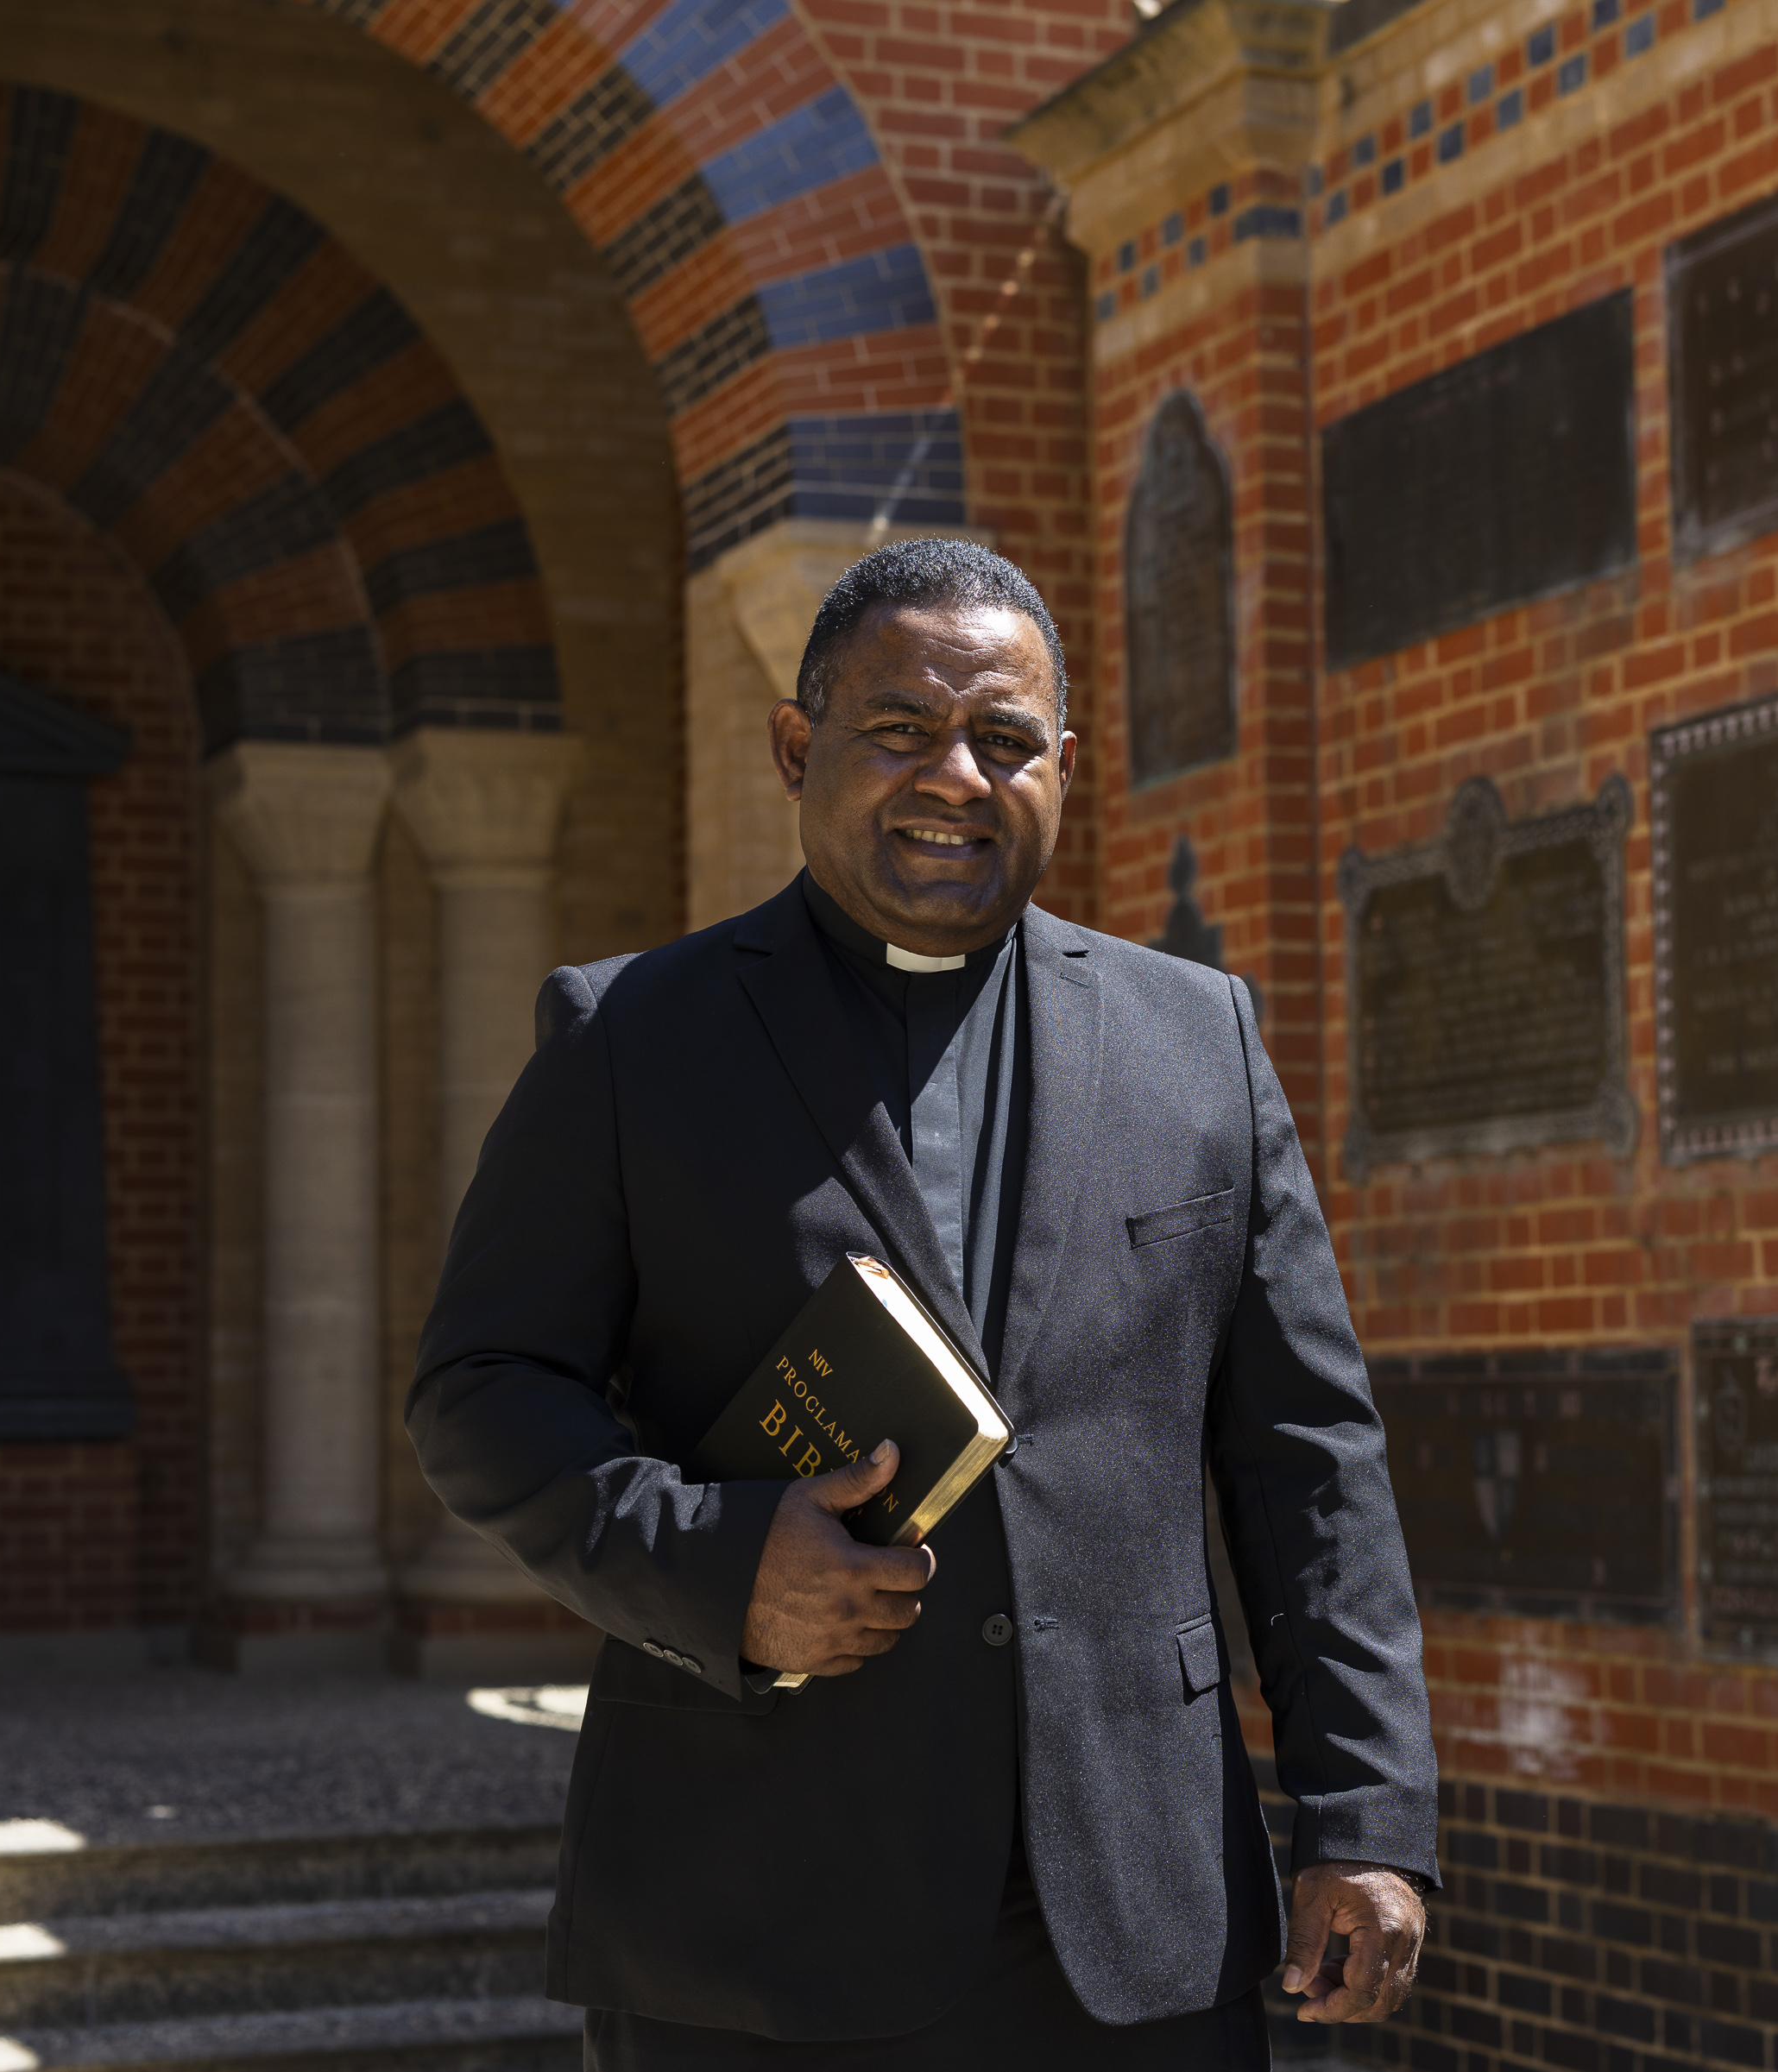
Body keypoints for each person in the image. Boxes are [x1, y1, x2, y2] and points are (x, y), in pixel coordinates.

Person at [407, 539, 1435, 2069]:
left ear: (1064, 767)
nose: (955, 776)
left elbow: (1308, 1455)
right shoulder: (632, 1037)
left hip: (1132, 1919)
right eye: (899, 728)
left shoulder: (1194, 1038)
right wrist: (721, 1563)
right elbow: (482, 1390)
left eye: (1005, 742)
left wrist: (1365, 1806)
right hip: (756, 1911)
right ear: (796, 744)